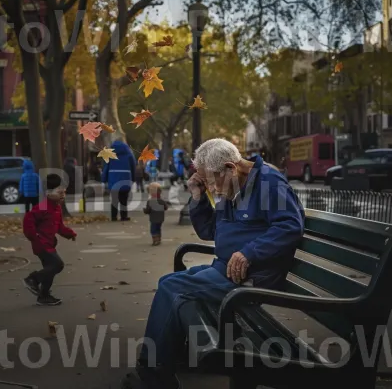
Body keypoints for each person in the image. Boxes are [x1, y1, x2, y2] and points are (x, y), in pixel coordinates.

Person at [122, 138, 305, 388]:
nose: (211, 188)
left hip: (251, 276)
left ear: (230, 167)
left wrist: (250, 253)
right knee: (168, 282)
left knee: (172, 289)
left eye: (210, 180)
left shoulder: (269, 183)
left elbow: (290, 225)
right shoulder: (231, 185)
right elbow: (209, 230)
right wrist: (197, 197)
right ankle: (168, 357)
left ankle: (154, 375)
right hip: (225, 270)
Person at [22, 174, 77, 306]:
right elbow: (28, 220)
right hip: (41, 244)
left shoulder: (57, 208)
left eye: (64, 192)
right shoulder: (43, 206)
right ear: (50, 193)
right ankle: (32, 279)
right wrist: (34, 237)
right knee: (57, 265)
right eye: (59, 192)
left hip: (49, 243)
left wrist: (70, 234)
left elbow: (59, 227)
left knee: (50, 270)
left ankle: (44, 296)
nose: (63, 195)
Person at [102, 140, 136, 221]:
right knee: (124, 200)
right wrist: (133, 179)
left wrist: (104, 179)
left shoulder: (110, 155)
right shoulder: (129, 155)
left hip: (113, 180)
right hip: (125, 179)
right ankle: (124, 216)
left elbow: (106, 168)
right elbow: (133, 167)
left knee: (114, 200)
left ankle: (113, 216)